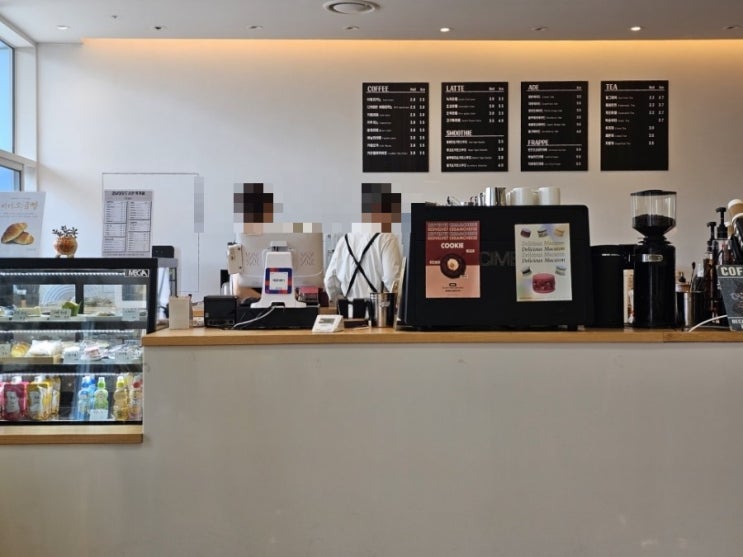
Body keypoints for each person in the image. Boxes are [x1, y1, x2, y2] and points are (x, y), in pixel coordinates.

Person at [324, 184, 403, 303]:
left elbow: (330, 281)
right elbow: (392, 281)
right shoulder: (387, 238)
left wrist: (337, 301)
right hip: (377, 311)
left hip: (349, 310)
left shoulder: (345, 240)